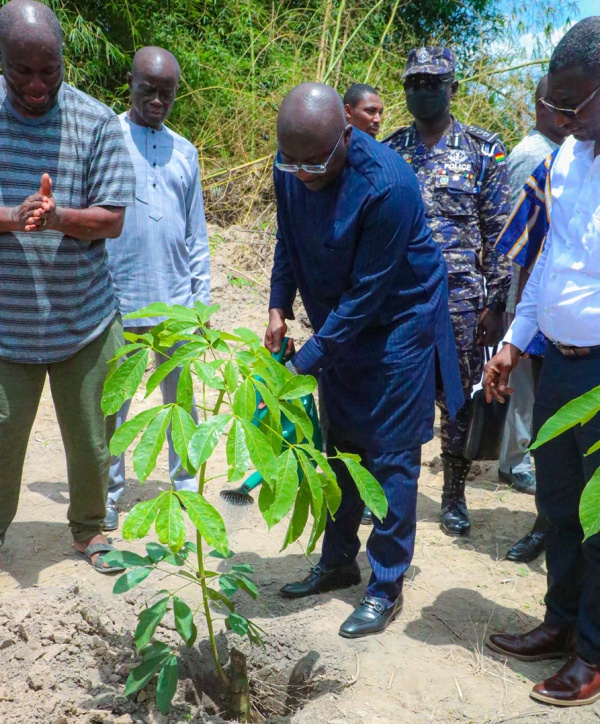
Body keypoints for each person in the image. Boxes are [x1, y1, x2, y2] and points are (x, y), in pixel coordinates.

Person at [266, 82, 462, 638]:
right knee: (340, 443)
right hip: (339, 321)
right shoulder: (295, 163)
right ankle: (336, 563)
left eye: (315, 163)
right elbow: (289, 240)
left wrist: (305, 361)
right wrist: (278, 305)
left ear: (347, 134)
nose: (302, 174)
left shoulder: (389, 187)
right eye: (292, 162)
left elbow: (367, 297)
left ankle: (385, 585)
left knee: (390, 453)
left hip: (395, 323)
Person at [484, 17, 600, 706]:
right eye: (554, 105)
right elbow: (552, 263)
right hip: (557, 363)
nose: (558, 117)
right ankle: (560, 623)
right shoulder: (565, 159)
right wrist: (512, 343)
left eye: (573, 105)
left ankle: (592, 651)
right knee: (557, 503)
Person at [0, 1, 135, 572]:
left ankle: (89, 531)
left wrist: (56, 218)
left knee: (91, 440)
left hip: (84, 319)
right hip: (6, 327)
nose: (36, 84)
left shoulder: (97, 121)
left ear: (63, 60)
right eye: (21, 71)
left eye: (48, 70)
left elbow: (111, 219)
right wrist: (15, 215)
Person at [386, 47, 511, 537]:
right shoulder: (392, 150)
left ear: (452, 88)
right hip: (403, 299)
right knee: (401, 396)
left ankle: (454, 496)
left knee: (457, 402)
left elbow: (499, 232)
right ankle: (398, 493)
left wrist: (496, 303)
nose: (422, 90)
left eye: (432, 82)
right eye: (413, 83)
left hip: (462, 303)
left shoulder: (484, 149)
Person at [103, 47, 210, 530]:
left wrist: (201, 307)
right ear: (130, 83)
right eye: (148, 90)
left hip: (177, 310)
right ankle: (106, 499)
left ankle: (185, 493)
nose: (157, 101)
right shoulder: (105, 137)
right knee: (112, 413)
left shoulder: (185, 151)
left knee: (180, 409)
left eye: (167, 93)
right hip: (115, 304)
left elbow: (196, 236)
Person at [497, 75, 568, 563]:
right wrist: (519, 332)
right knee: (552, 437)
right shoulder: (550, 166)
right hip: (550, 331)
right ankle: (548, 526)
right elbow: (528, 256)